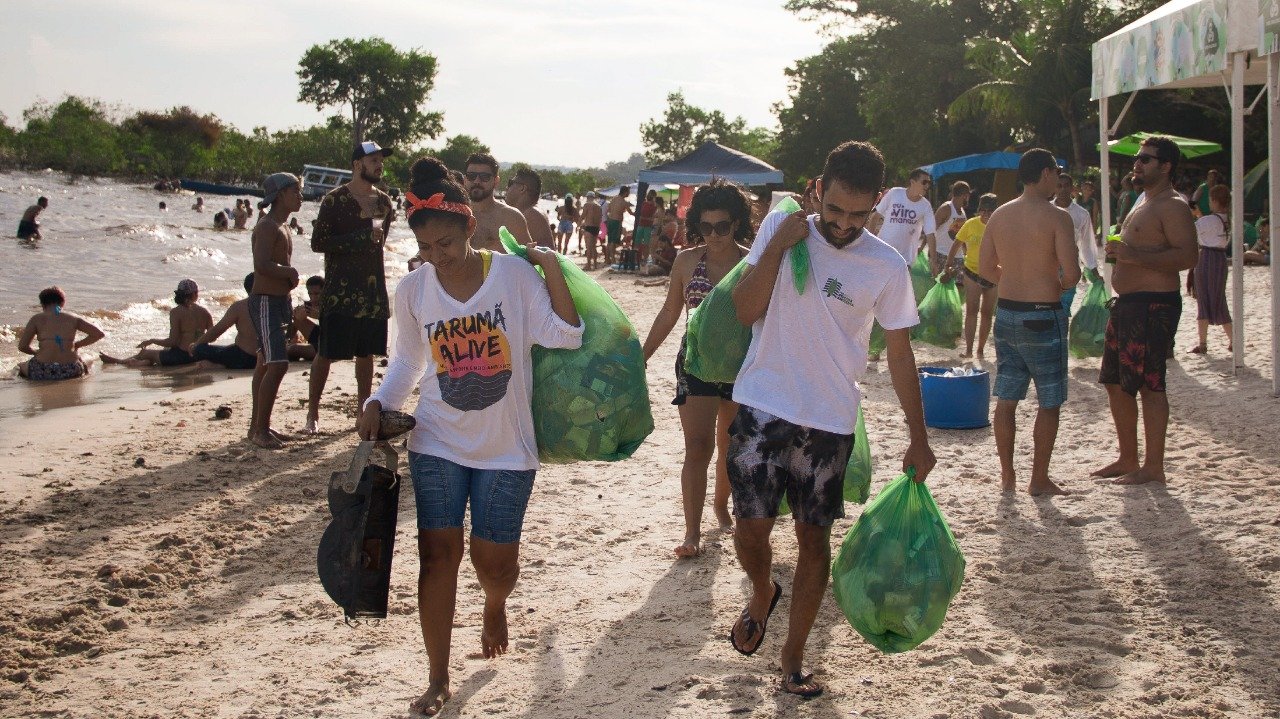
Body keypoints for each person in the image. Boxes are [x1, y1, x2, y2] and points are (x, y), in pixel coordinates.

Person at [357, 157, 582, 718]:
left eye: (446, 244)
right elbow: (409, 361)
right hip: (437, 439)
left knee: (494, 563)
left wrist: (550, 266)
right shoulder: (413, 289)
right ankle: (437, 678)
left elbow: (567, 334)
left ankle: (494, 604)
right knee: (437, 556)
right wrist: (378, 403)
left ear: (469, 229)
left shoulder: (512, 277)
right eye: (424, 247)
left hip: (507, 447)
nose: (436, 256)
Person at [726, 141, 935, 698]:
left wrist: (918, 437)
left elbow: (900, 354)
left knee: (813, 540)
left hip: (829, 420)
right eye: (835, 209)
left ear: (877, 204)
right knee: (750, 529)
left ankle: (793, 656)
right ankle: (762, 590)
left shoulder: (887, 266)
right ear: (817, 190)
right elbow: (744, 309)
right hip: (762, 403)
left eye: (857, 214)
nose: (843, 224)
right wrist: (780, 246)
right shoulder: (782, 228)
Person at [641, 180, 752, 558]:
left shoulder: (753, 262)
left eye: (722, 226)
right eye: (706, 227)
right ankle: (691, 532)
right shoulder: (687, 262)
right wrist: (642, 356)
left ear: (736, 223)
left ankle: (721, 507)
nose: (714, 234)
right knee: (698, 447)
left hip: (741, 367)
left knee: (731, 447)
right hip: (696, 364)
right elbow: (670, 312)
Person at [1092, 136, 1198, 485]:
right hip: (1129, 304)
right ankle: (1128, 457)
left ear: (1165, 166)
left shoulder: (1173, 205)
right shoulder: (1144, 201)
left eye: (1146, 159)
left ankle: (1153, 466)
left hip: (1153, 304)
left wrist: (1133, 256)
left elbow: (1188, 256)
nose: (1137, 164)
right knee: (1115, 382)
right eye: (1137, 158)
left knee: (1150, 386)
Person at [979, 149, 1080, 496]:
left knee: (1007, 398)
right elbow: (1072, 273)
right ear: (1046, 173)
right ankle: (1038, 478)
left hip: (1007, 312)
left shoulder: (999, 214)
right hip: (1042, 314)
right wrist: (1053, 282)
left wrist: (1013, 277)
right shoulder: (1058, 217)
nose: (1059, 180)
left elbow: (985, 267)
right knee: (1049, 400)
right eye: (1056, 173)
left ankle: (1008, 475)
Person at [305, 141, 397, 434]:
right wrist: (359, 238)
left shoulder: (384, 202)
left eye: (381, 160)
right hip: (339, 292)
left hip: (372, 291)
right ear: (358, 165)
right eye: (374, 160)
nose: (380, 165)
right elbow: (318, 242)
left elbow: (379, 244)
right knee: (325, 352)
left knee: (366, 354)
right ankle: (312, 413)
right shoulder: (334, 200)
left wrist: (367, 239)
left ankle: (361, 411)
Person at [248, 172, 303, 449]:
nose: (300, 197)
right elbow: (261, 264)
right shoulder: (268, 225)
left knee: (265, 362)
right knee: (277, 364)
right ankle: (260, 429)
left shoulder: (283, 225)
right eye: (296, 192)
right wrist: (288, 272)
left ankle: (258, 426)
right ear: (281, 195)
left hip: (279, 301)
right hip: (266, 300)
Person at [99, 279, 213, 368]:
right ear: (195, 294)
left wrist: (152, 341)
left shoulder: (176, 312)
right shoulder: (205, 312)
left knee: (144, 353)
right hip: (199, 355)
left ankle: (119, 362)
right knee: (158, 353)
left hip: (180, 358)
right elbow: (212, 337)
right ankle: (141, 363)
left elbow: (172, 342)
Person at [945, 193, 1000, 358]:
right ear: (979, 209)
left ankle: (980, 349)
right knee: (971, 311)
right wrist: (948, 264)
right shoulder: (971, 224)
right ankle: (969, 349)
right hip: (972, 271)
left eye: (990, 211)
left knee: (987, 313)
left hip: (993, 273)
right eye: (983, 210)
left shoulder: (1000, 226)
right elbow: (957, 244)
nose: (986, 214)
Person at [18, 287, 105, 380]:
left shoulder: (36, 319)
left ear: (42, 304)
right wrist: (77, 345)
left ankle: (12, 380)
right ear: (63, 302)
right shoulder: (73, 318)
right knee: (86, 359)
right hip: (70, 370)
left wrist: (36, 352)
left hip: (42, 370)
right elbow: (98, 334)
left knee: (20, 366)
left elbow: (23, 346)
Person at [1187, 184, 1233, 354]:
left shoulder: (1209, 221)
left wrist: (1194, 215)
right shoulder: (1227, 219)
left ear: (1214, 200)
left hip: (1206, 257)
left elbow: (1193, 230)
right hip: (1220, 258)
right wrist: (1199, 215)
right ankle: (1232, 340)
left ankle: (1203, 343)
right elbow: (1209, 228)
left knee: (1204, 298)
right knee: (1218, 297)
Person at [186, 273, 261, 370]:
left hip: (243, 357)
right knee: (228, 349)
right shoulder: (274, 304)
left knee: (200, 349)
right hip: (267, 359)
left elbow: (217, 330)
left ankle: (220, 366)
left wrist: (196, 345)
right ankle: (221, 365)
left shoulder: (239, 306)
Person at [463, 152, 532, 253]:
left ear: (496, 181)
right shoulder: (455, 214)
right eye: (471, 176)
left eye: (485, 177)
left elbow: (528, 258)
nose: (477, 181)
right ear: (465, 180)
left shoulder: (512, 218)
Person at [867, 169, 936, 265]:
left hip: (905, 260)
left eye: (929, 183)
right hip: (882, 253)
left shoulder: (925, 205)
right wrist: (869, 241)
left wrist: (934, 261)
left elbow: (930, 234)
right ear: (912, 182)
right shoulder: (894, 193)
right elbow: (875, 216)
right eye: (924, 182)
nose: (927, 186)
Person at [1053, 174, 1099, 313]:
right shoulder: (1045, 210)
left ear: (1072, 188)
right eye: (1059, 186)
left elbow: (1087, 244)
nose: (1063, 189)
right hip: (1047, 265)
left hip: (1069, 266)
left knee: (1064, 309)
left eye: (1066, 185)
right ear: (1054, 188)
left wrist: (1094, 270)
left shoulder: (1081, 214)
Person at [504, 168, 554, 248]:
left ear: (522, 188)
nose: (507, 188)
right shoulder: (531, 213)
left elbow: (547, 252)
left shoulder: (531, 215)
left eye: (510, 183)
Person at [932, 181, 970, 276]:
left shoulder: (962, 211)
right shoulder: (946, 208)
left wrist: (966, 252)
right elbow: (931, 230)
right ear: (965, 196)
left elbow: (961, 236)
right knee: (938, 283)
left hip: (957, 257)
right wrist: (927, 249)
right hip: (941, 254)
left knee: (958, 284)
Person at [288, 275, 325, 362]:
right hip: (319, 337)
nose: (313, 297)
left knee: (293, 349)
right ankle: (287, 344)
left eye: (317, 294)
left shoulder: (331, 304)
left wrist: (319, 316)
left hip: (331, 343)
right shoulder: (309, 305)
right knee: (297, 316)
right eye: (310, 294)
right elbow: (295, 323)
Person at [605, 186, 634, 266]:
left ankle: (607, 259)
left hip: (610, 220)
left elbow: (609, 209)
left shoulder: (614, 199)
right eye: (628, 192)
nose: (629, 194)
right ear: (625, 192)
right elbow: (631, 213)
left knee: (609, 241)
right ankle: (613, 260)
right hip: (616, 222)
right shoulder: (623, 202)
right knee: (613, 242)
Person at [635, 188, 659, 266]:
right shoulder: (644, 203)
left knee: (646, 244)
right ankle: (637, 258)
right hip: (642, 225)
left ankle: (644, 259)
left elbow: (653, 218)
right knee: (638, 242)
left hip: (647, 226)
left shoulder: (654, 206)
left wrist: (644, 218)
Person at [580, 191, 603, 269]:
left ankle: (589, 265)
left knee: (589, 247)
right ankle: (595, 264)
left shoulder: (587, 205)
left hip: (589, 227)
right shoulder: (599, 206)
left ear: (588, 197)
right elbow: (600, 218)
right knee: (594, 247)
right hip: (596, 228)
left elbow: (583, 215)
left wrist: (579, 224)